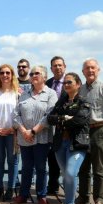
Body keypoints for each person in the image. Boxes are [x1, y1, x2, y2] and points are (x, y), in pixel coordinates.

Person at [11, 65, 58, 204]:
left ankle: (41, 196)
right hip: (24, 137)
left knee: (40, 168)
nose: (33, 75)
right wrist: (24, 130)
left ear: (44, 76)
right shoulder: (24, 94)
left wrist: (33, 131)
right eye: (32, 74)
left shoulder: (51, 94)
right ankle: (23, 195)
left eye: (37, 73)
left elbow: (49, 115)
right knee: (26, 167)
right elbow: (15, 115)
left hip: (41, 138)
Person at [47, 72, 91, 204]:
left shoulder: (83, 101)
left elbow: (80, 120)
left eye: (69, 82)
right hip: (60, 143)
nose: (66, 85)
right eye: (65, 83)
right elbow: (50, 118)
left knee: (71, 173)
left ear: (78, 84)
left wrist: (62, 120)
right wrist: (65, 118)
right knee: (66, 175)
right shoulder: (61, 101)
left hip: (77, 143)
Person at [0, 64, 21, 201]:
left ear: (12, 75)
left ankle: (11, 189)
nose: (5, 75)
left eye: (8, 72)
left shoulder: (18, 92)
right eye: (2, 73)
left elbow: (23, 112)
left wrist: (14, 127)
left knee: (13, 161)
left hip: (13, 133)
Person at [78, 58, 103, 204]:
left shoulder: (102, 88)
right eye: (87, 68)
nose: (90, 71)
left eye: (93, 68)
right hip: (83, 131)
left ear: (98, 70)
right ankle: (83, 196)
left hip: (99, 129)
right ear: (83, 72)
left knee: (99, 167)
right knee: (83, 166)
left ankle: (99, 199)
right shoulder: (80, 89)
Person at [45, 56, 67, 195]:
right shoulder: (47, 83)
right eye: (54, 65)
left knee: (65, 158)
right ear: (51, 68)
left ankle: (69, 188)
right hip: (50, 124)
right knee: (51, 156)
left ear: (64, 66)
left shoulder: (71, 81)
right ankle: (52, 185)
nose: (57, 67)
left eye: (60, 65)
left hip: (66, 125)